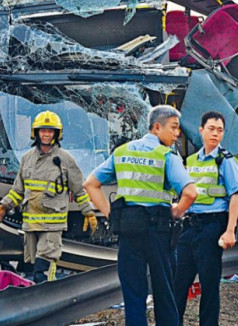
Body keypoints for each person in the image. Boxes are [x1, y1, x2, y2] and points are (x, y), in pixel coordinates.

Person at [83, 105, 197, 326]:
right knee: (165, 293)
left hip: (129, 230)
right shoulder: (166, 156)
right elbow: (190, 192)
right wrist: (176, 211)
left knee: (133, 294)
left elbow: (90, 184)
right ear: (156, 127)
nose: (177, 134)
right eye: (173, 128)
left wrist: (111, 214)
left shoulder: (123, 151)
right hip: (159, 232)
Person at [0, 110, 97, 283]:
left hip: (53, 223)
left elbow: (79, 190)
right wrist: (4, 206)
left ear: (57, 134)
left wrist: (89, 213)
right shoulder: (26, 159)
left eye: (50, 131)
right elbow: (18, 189)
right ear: (36, 132)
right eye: (43, 130)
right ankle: (41, 293)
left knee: (44, 265)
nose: (46, 134)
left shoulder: (65, 160)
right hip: (31, 223)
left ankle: (46, 295)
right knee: (33, 264)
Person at [173, 111, 238, 326]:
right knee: (178, 283)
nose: (215, 134)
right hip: (190, 226)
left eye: (220, 130)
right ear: (201, 130)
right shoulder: (191, 160)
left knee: (209, 286)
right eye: (211, 129)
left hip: (212, 226)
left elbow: (235, 196)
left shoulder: (226, 160)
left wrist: (230, 230)